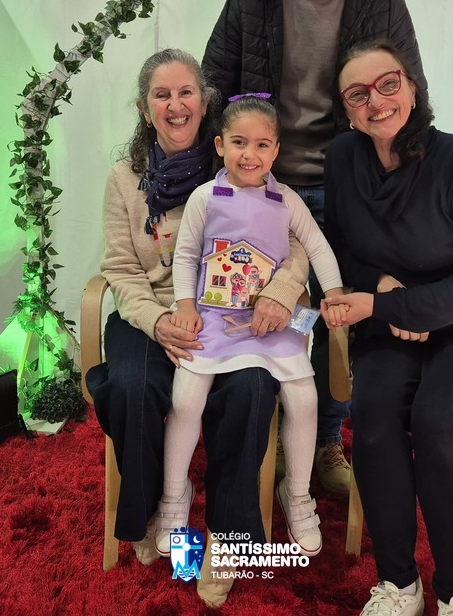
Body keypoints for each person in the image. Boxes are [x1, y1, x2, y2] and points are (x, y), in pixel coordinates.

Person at [202, 0, 421, 494]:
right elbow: (216, 78)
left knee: (334, 314)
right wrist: (230, 167)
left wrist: (400, 184)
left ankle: (325, 442)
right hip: (263, 183)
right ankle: (265, 436)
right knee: (255, 307)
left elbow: (407, 90)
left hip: (348, 184)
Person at [84, 50, 309, 607]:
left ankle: (229, 540)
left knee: (251, 388)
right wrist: (159, 320)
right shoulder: (125, 178)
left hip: (231, 317)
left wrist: (281, 293)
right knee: (131, 387)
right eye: (161, 95)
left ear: (204, 102)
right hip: (151, 314)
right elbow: (120, 268)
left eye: (186, 92)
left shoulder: (237, 157)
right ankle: (156, 508)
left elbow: (296, 242)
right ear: (145, 109)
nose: (176, 104)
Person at [320, 41, 453, 616]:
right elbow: (336, 250)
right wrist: (383, 289)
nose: (376, 101)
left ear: (412, 87)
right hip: (390, 319)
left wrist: (402, 308)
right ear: (347, 109)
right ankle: (399, 585)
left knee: (440, 419)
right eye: (357, 94)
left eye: (388, 84)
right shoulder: (342, 157)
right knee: (372, 415)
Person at [157, 95, 345, 559]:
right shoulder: (205, 197)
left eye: (262, 145)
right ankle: (174, 495)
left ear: (276, 151)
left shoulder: (286, 200)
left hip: (273, 320)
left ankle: (297, 493)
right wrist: (185, 305)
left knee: (305, 398)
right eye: (239, 142)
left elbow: (318, 248)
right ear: (220, 145)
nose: (250, 154)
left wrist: (335, 294)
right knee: (185, 399)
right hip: (212, 318)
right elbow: (186, 255)